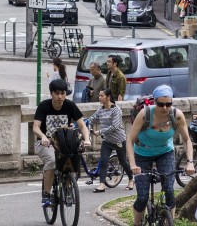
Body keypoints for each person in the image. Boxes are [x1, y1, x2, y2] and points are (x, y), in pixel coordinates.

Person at [125, 85, 196, 226]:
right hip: (142, 154)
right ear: (154, 102)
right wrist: (133, 165)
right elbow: (129, 140)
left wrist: (190, 162)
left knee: (169, 190)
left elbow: (187, 140)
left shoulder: (177, 115)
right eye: (160, 104)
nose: (165, 108)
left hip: (165, 152)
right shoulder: (145, 114)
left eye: (168, 104)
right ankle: (136, 223)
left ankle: (170, 222)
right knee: (143, 197)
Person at [32, 79, 91, 207]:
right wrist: (43, 136)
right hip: (45, 143)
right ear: (51, 94)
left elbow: (82, 125)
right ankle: (47, 194)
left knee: (72, 159)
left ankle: (68, 188)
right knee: (52, 162)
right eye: (57, 93)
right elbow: (35, 127)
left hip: (64, 142)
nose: (60, 97)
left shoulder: (70, 105)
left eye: (63, 93)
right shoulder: (44, 106)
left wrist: (86, 139)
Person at [85, 89, 135, 192]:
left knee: (123, 162)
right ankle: (102, 184)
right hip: (107, 141)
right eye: (99, 95)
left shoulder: (116, 110)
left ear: (108, 97)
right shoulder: (100, 109)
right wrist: (82, 124)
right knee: (103, 161)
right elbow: (92, 119)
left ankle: (131, 179)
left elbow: (115, 127)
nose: (99, 97)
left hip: (119, 140)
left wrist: (99, 132)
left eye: (101, 96)